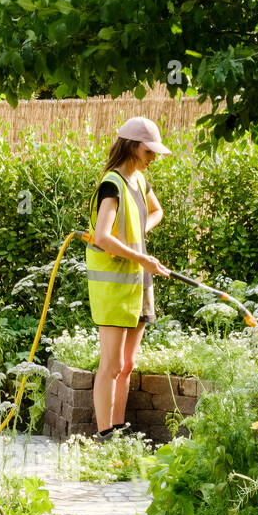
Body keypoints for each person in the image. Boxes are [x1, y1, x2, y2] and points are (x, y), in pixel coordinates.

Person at [85, 116, 171, 439]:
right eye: (149, 152)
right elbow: (102, 236)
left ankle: (118, 431)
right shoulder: (113, 184)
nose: (153, 159)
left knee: (128, 364)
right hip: (115, 287)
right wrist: (140, 256)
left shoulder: (137, 181)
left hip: (139, 282)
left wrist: (138, 234)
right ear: (133, 147)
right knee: (110, 365)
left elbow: (156, 211)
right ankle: (103, 437)